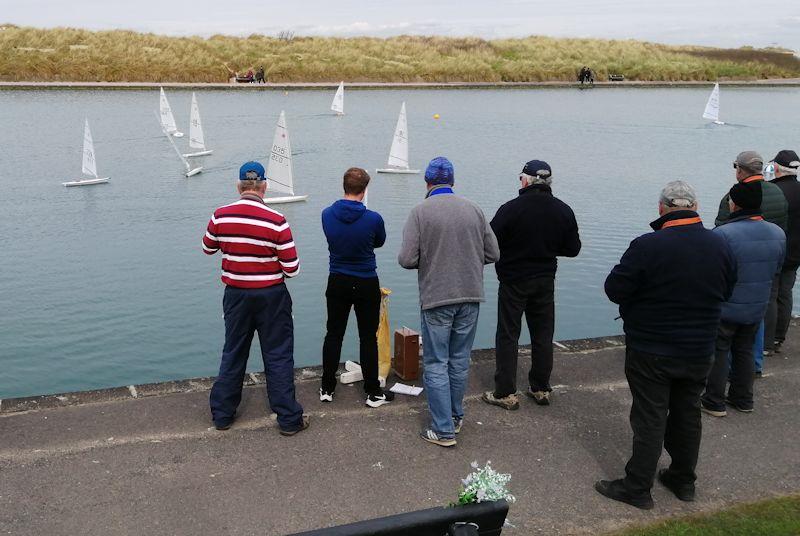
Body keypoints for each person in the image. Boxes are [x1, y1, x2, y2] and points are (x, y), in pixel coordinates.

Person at [597, 181, 736, 509]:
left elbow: (615, 289)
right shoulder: (720, 245)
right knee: (688, 414)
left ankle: (637, 487)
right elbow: (727, 290)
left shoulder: (647, 246)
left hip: (652, 348)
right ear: (696, 205)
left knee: (650, 416)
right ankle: (683, 479)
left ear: (662, 209)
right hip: (701, 347)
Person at [398, 157, 499, 448]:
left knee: (435, 363)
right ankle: (455, 417)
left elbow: (407, 259)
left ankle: (443, 430)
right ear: (452, 181)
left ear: (427, 182)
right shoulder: (474, 209)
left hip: (437, 297)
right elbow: (493, 253)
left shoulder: (420, 212)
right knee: (458, 361)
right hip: (470, 295)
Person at [202, 161, 309, 436]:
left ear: (239, 186)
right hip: (271, 295)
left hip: (236, 294)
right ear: (264, 186)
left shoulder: (220, 215)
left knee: (234, 351)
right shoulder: (277, 221)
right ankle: (288, 419)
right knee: (278, 355)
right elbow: (292, 269)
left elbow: (207, 247)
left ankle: (223, 415)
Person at [481, 160, 581, 410]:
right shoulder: (563, 210)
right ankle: (540, 387)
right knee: (543, 334)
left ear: (525, 180)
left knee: (508, 334)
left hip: (513, 279)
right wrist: (547, 247)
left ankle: (504, 392)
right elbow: (573, 249)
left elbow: (490, 243)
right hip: (545, 279)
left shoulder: (511, 209)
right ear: (549, 182)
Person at [701, 182, 785, 416]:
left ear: (735, 205)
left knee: (719, 351)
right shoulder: (778, 233)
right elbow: (777, 268)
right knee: (745, 350)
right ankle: (743, 398)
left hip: (727, 306)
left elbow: (713, 272)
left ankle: (714, 401)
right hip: (757, 305)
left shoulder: (723, 234)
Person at [320, 167, 394, 407]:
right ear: (364, 190)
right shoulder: (373, 218)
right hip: (365, 281)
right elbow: (379, 242)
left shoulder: (327, 214)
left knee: (334, 334)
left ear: (344, 186)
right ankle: (373, 392)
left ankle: (327, 387)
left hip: (337, 279)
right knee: (367, 338)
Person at [715, 151, 787, 373]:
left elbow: (720, 228)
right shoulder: (777, 192)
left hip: (738, 263)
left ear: (740, 170)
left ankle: (726, 374)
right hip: (769, 259)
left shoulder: (734, 195)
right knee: (758, 313)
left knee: (727, 328)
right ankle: (755, 364)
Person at [766, 150, 800, 353]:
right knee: (785, 293)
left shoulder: (772, 191)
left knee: (771, 295)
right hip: (796, 252)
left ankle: (766, 342)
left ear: (776, 168)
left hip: (775, 250)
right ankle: (779, 337)